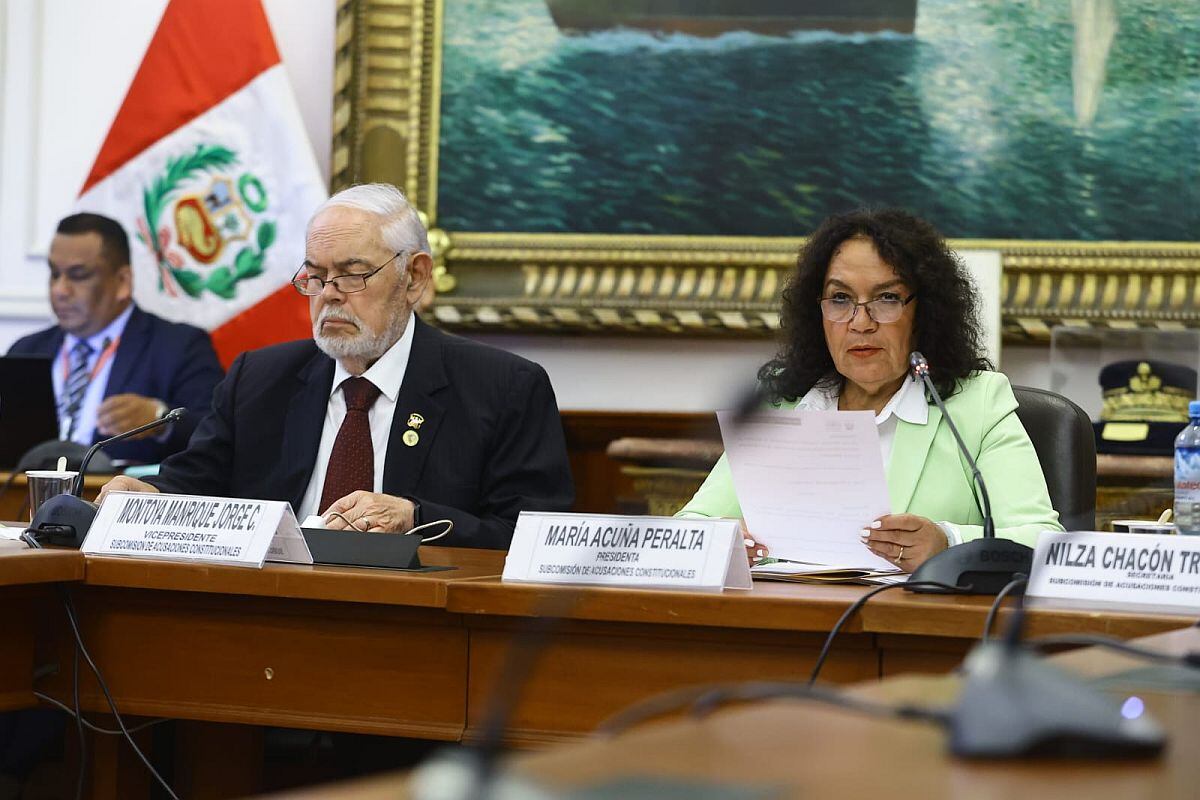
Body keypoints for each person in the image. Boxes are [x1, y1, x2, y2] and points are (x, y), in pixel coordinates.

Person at [99, 183, 573, 549]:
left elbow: (532, 536)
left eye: (352, 274)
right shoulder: (259, 380)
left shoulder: (503, 387)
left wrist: (414, 517)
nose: (329, 294)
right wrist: (148, 496)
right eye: (316, 276)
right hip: (266, 608)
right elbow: (195, 485)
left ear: (414, 277)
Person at [677, 208, 1063, 572]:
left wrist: (947, 542)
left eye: (887, 298)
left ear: (924, 311)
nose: (861, 322)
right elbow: (688, 529)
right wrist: (727, 541)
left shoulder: (976, 405)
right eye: (840, 299)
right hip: (785, 625)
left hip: (913, 632)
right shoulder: (785, 404)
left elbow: (1043, 542)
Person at [7, 213, 223, 463]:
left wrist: (160, 420)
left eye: (78, 275)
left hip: (120, 496)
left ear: (122, 281)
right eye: (55, 274)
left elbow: (215, 435)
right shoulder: (27, 349)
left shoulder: (179, 347)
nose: (59, 290)